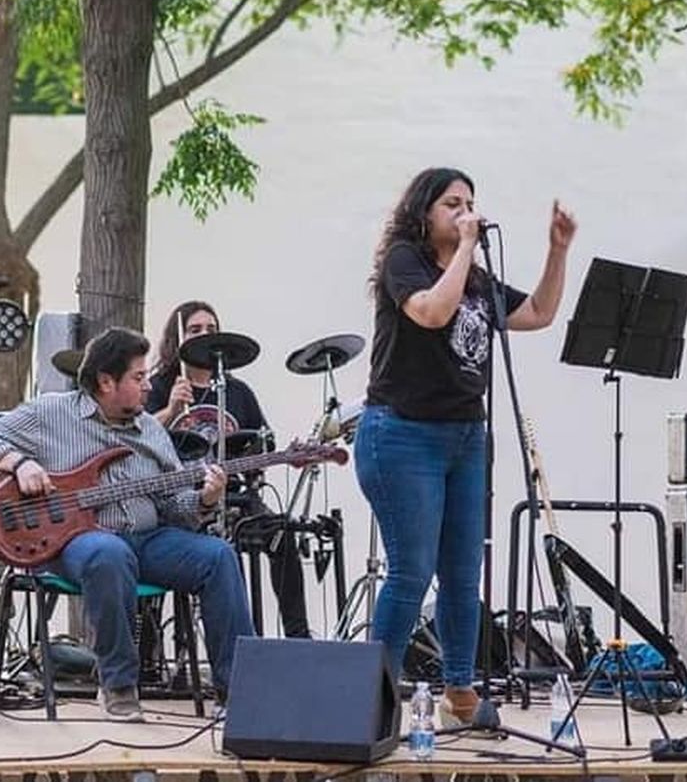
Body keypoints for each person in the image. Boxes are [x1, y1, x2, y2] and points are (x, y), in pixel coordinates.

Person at [356, 167, 574, 726]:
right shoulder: (404, 262)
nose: (464, 210)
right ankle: (369, 698)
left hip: (464, 436)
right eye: (451, 202)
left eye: (470, 202)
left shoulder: (476, 279)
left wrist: (558, 250)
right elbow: (431, 312)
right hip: (402, 433)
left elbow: (538, 314)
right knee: (412, 568)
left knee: (462, 569)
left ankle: (459, 692)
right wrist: (467, 247)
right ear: (424, 212)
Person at [0, 327, 256, 723]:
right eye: (138, 377)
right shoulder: (51, 412)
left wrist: (204, 499)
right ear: (105, 381)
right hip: (74, 540)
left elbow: (173, 507)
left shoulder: (152, 430)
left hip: (149, 538)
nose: (149, 385)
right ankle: (118, 685)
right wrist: (19, 463)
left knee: (219, 556)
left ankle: (240, 693)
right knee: (108, 553)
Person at [147, 300, 312, 640]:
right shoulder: (160, 385)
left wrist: (275, 454)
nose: (204, 336)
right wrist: (172, 408)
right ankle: (202, 647)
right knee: (212, 549)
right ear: (176, 339)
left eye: (211, 330)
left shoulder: (236, 392)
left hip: (234, 494)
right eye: (195, 330)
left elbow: (261, 442)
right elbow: (137, 437)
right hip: (178, 498)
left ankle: (298, 637)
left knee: (282, 535)